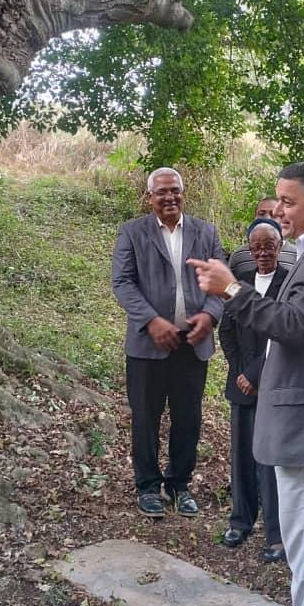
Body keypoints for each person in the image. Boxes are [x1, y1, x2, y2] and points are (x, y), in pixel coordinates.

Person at [189, 161, 304, 606]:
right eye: (279, 200)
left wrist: (231, 291)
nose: (280, 210)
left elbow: (294, 325)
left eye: (288, 202)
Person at [111, 167, 225, 518]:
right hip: (149, 346)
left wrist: (209, 315)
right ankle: (148, 486)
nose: (169, 197)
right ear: (149, 197)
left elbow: (222, 281)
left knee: (188, 417)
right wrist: (151, 320)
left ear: (183, 193)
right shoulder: (132, 232)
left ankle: (179, 484)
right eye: (161, 191)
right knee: (146, 417)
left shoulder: (205, 232)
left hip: (193, 343)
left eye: (174, 190)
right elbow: (123, 282)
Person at [217, 218, 287, 563]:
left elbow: (283, 336)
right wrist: (239, 370)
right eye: (256, 246)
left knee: (270, 463)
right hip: (240, 385)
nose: (262, 252)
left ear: (281, 247)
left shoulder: (290, 286)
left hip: (274, 386)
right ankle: (241, 521)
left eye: (269, 245)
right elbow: (226, 332)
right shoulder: (237, 286)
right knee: (242, 457)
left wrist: (257, 373)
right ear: (248, 249)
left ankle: (276, 535)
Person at [229, 196, 297, 273]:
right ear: (254, 218)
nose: (267, 218)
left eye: (273, 214)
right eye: (261, 214)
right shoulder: (239, 256)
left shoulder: (297, 255)